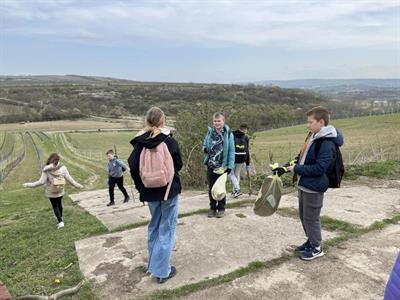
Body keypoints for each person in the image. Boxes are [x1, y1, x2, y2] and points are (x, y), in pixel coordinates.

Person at [128, 106, 182, 284]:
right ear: (162, 121)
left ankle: (154, 265)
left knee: (154, 227)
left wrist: (142, 187)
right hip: (168, 190)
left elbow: (133, 167)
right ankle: (162, 271)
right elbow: (178, 165)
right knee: (167, 228)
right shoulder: (168, 140)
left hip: (150, 192)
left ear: (147, 121)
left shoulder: (139, 141)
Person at [287, 106, 344, 261]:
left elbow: (320, 168)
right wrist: (288, 165)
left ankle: (317, 248)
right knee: (304, 216)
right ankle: (310, 241)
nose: (308, 125)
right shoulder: (313, 135)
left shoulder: (327, 143)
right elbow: (302, 155)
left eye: (310, 122)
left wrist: (297, 168)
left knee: (311, 218)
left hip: (314, 186)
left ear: (321, 122)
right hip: (304, 183)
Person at [23, 153, 83, 228]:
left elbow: (41, 182)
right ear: (58, 160)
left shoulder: (46, 170)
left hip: (51, 191)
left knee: (55, 206)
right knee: (59, 204)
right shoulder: (63, 168)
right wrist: (78, 185)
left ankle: (60, 222)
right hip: (60, 189)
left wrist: (28, 185)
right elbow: (70, 179)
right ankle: (60, 218)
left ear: (49, 159)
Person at [203, 112, 235, 218]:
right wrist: (204, 149)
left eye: (219, 121)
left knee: (221, 189)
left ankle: (221, 208)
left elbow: (231, 151)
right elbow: (205, 144)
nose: (217, 123)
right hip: (211, 165)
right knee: (211, 188)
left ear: (223, 121)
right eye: (215, 121)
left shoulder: (228, 133)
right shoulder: (210, 133)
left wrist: (230, 166)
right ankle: (212, 208)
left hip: (222, 167)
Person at [230, 123, 251, 197]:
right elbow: (247, 151)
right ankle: (235, 191)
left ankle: (237, 189)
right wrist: (248, 163)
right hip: (242, 158)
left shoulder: (231, 135)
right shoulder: (246, 137)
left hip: (233, 157)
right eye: (247, 129)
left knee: (231, 174)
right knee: (236, 174)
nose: (247, 131)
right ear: (244, 129)